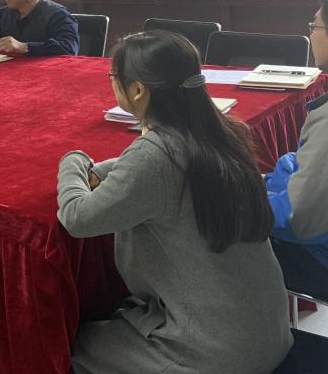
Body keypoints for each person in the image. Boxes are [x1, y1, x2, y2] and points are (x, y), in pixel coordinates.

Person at [57, 31, 291, 374]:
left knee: (66, 346)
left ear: (138, 90)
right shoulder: (223, 132)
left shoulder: (157, 155)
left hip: (215, 354)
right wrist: (105, 169)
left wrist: (73, 160)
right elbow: (143, 167)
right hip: (267, 333)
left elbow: (77, 218)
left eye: (113, 77)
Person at [265, 0, 328, 303]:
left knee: (212, 235)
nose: (311, 34)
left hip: (327, 267)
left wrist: (243, 198)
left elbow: (301, 221)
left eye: (315, 26)